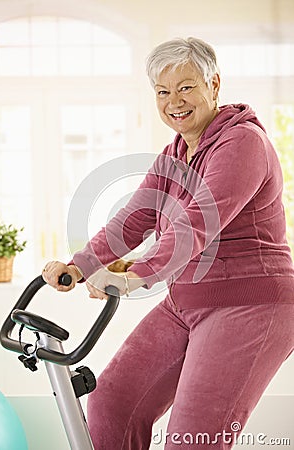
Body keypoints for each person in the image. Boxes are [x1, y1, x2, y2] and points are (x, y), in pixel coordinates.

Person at [42, 37, 294, 449]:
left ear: (214, 84)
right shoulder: (175, 153)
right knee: (112, 403)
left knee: (190, 440)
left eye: (186, 87)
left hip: (250, 304)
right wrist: (79, 266)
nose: (173, 101)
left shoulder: (243, 143)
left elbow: (198, 222)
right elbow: (136, 217)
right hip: (187, 301)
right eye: (162, 91)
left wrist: (135, 275)